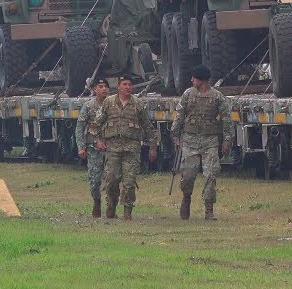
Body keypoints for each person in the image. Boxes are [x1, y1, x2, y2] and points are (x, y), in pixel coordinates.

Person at [90, 75, 159, 220]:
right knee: (112, 181)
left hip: (131, 149)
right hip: (113, 149)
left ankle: (127, 211)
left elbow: (148, 127)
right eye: (125, 84)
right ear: (119, 87)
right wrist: (97, 140)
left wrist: (153, 147)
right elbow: (96, 124)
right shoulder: (109, 103)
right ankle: (111, 205)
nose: (128, 87)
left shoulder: (137, 104)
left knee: (129, 183)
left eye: (130, 85)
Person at [172, 65, 232, 221]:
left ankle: (209, 210)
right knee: (188, 175)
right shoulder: (187, 94)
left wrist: (227, 141)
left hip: (210, 141)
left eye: (194, 78)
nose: (191, 80)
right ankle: (186, 198)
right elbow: (179, 116)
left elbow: (227, 120)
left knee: (211, 175)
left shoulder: (218, 97)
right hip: (190, 141)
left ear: (202, 79)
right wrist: (175, 136)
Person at [75, 78, 110, 217]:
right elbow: (80, 127)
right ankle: (96, 201)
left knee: (111, 180)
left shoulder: (112, 105)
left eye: (106, 86)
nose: (104, 89)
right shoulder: (88, 106)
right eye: (100, 86)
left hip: (110, 149)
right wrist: (81, 147)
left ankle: (110, 207)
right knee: (95, 181)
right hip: (93, 149)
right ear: (95, 89)